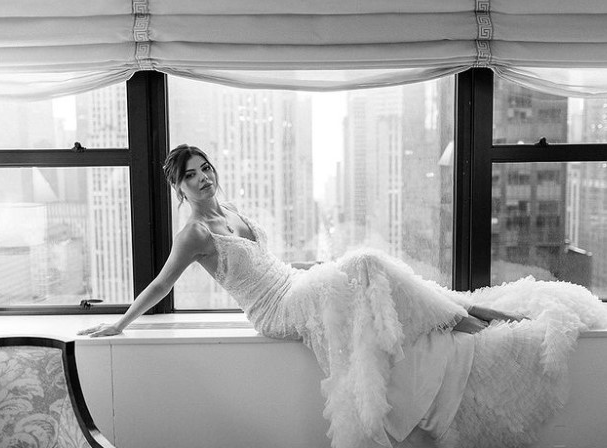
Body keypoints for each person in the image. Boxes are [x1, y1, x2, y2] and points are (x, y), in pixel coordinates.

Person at [79, 144, 607, 448]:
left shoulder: (231, 210)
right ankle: (457, 316)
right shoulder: (195, 232)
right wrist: (119, 323)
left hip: (294, 284)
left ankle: (458, 311)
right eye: (191, 177)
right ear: (179, 189)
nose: (202, 179)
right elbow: (162, 283)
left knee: (364, 270)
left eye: (205, 168)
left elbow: (272, 262)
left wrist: (316, 267)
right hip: (275, 309)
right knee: (367, 262)